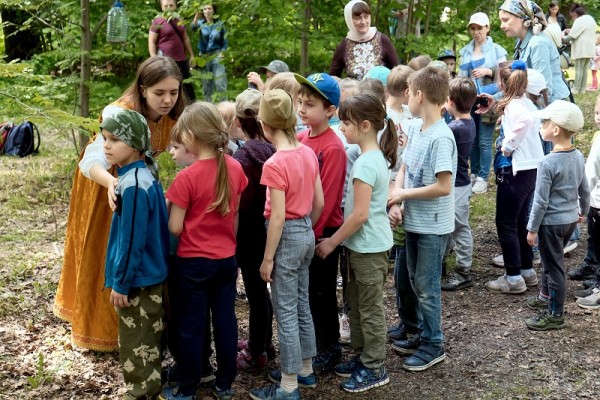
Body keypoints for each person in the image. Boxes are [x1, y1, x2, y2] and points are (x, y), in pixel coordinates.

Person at [53, 56, 185, 352]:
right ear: (142, 89)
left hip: (138, 183)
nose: (167, 100)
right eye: (159, 93)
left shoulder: (176, 114)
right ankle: (102, 329)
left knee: (137, 248)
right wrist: (111, 182)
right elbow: (92, 157)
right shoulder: (119, 112)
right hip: (104, 183)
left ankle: (138, 328)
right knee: (108, 251)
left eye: (173, 92)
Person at [163, 102, 248, 400]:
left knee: (191, 324)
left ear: (193, 135)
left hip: (192, 264)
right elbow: (234, 215)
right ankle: (224, 383)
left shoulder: (186, 177)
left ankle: (187, 387)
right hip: (226, 260)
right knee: (225, 320)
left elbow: (174, 228)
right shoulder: (235, 167)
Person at [314, 91, 396, 392]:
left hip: (369, 248)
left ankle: (375, 366)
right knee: (357, 305)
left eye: (345, 124)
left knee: (369, 308)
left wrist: (331, 242)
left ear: (364, 126)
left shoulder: (365, 164)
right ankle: (362, 355)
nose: (341, 128)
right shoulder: (370, 158)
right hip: (360, 247)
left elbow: (360, 215)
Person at [249, 89, 324, 400]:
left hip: (286, 238)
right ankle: (305, 368)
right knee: (302, 304)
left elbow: (277, 217)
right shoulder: (307, 152)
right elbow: (318, 202)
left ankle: (289, 385)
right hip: (306, 231)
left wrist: (268, 259)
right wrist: (308, 226)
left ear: (265, 126)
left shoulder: (275, 164)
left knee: (285, 310)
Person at [388, 66, 457, 372]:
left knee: (427, 286)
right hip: (413, 221)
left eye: (409, 95)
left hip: (432, 226)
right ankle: (419, 331)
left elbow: (444, 186)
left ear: (418, 95)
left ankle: (434, 343)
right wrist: (398, 193)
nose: (406, 101)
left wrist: (405, 196)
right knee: (413, 280)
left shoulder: (441, 137)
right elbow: (403, 167)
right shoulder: (416, 128)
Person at [101, 108, 169, 399]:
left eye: (114, 139)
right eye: (105, 138)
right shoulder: (136, 175)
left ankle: (142, 391)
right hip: (145, 273)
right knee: (147, 330)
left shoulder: (135, 184)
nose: (106, 145)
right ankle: (150, 381)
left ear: (135, 143)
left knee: (137, 336)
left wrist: (122, 282)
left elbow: (132, 241)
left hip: (138, 278)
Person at [294, 72, 346, 375]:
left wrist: (310, 237)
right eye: (300, 102)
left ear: (329, 111)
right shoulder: (300, 139)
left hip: (320, 232)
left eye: (310, 104)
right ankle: (310, 344)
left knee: (321, 293)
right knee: (305, 292)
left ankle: (329, 347)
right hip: (300, 230)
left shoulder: (333, 147)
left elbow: (325, 201)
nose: (302, 109)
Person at [524, 100, 589, 328]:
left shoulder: (547, 162)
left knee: (554, 266)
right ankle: (544, 296)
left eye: (544, 122)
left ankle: (555, 313)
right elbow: (584, 189)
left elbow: (540, 201)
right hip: (570, 220)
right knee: (551, 259)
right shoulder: (578, 155)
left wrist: (532, 229)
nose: (541, 126)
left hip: (550, 223)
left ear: (555, 129)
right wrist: (584, 211)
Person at [485, 60, 544, 295]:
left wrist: (507, 146)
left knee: (505, 223)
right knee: (519, 220)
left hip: (516, 171)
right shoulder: (527, 103)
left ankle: (512, 277)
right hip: (532, 170)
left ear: (502, 82)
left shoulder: (515, 108)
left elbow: (524, 123)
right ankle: (526, 269)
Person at [232, 89, 277, 372]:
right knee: (262, 293)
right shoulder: (275, 149)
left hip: (248, 232)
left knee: (256, 293)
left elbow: (237, 201)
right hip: (269, 228)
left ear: (237, 122)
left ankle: (257, 351)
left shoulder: (242, 156)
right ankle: (264, 342)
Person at [458, 12, 507, 194]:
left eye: (480, 28)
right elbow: (462, 76)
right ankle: (474, 173)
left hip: (489, 98)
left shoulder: (497, 51)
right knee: (472, 139)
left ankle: (483, 177)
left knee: (485, 140)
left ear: (487, 28)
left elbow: (506, 78)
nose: (476, 32)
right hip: (469, 99)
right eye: (473, 28)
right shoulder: (465, 51)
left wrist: (489, 71)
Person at [441, 78, 477, 291]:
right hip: (460, 184)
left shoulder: (454, 128)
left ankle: (464, 270)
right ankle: (443, 262)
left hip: (458, 185)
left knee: (459, 227)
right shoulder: (468, 122)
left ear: (450, 101)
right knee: (450, 225)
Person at [498, 0, 569, 103]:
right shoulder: (520, 43)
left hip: (553, 110)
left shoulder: (538, 43)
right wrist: (496, 98)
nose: (501, 26)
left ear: (523, 18)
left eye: (505, 20)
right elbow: (518, 83)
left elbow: (544, 91)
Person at [330, 0, 400, 80]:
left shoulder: (382, 40)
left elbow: (397, 73)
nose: (363, 22)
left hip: (380, 92)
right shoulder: (344, 46)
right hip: (355, 92)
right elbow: (332, 78)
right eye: (358, 18)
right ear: (349, 20)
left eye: (366, 17)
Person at [575, 96, 600, 309]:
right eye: (597, 113)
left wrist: (581, 201)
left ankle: (598, 291)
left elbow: (589, 176)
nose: (598, 118)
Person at [148, 0, 196, 103]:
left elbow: (185, 39)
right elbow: (151, 42)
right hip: (166, 61)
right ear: (162, 7)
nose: (169, 8)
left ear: (175, 6)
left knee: (187, 88)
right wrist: (154, 59)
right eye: (166, 6)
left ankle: (191, 112)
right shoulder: (157, 21)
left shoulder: (179, 20)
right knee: (170, 86)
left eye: (171, 5)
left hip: (182, 59)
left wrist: (191, 55)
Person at [192, 3, 227, 101]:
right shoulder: (200, 23)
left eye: (209, 8)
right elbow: (192, 28)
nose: (207, 11)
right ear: (203, 12)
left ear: (214, 10)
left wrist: (222, 53)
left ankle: (225, 109)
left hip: (217, 54)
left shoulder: (220, 24)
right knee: (206, 85)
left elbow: (225, 41)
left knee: (220, 83)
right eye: (205, 9)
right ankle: (209, 109)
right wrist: (196, 16)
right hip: (204, 57)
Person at [562, 3, 596, 94]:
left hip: (581, 47)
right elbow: (582, 31)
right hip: (590, 47)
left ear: (575, 14)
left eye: (572, 17)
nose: (572, 19)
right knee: (584, 69)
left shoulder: (579, 20)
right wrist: (571, 31)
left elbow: (572, 36)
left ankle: (576, 89)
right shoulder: (590, 18)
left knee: (579, 69)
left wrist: (563, 38)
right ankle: (582, 89)